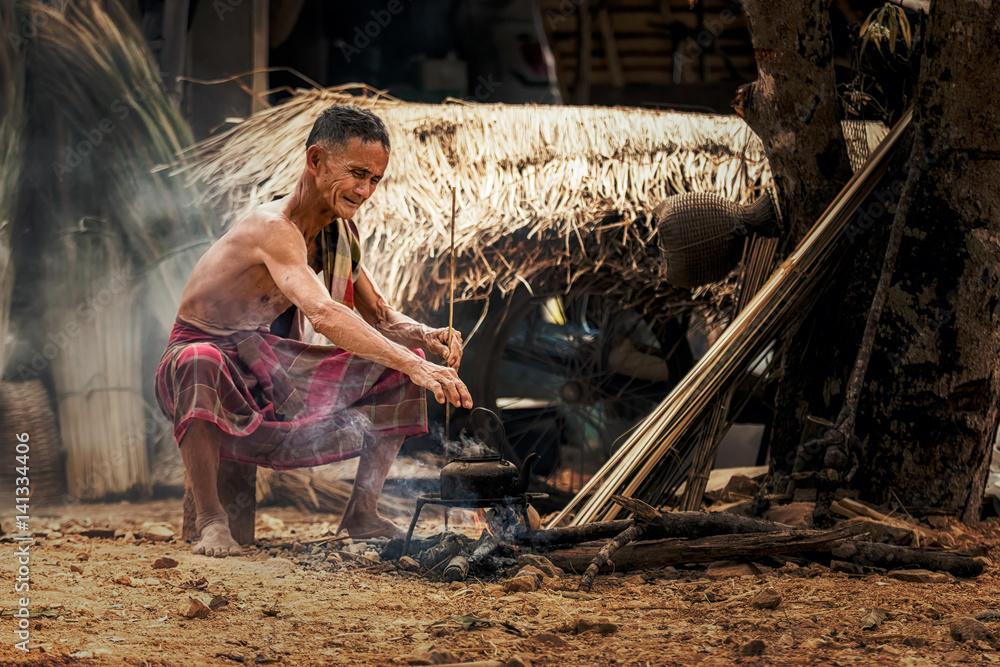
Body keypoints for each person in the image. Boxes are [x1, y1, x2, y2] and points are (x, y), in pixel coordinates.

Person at [155, 105, 473, 557]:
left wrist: (424, 337)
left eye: (375, 180)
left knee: (409, 369)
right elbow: (323, 314)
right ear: (316, 161)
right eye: (357, 173)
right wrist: (405, 358)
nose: (365, 190)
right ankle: (211, 519)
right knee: (198, 360)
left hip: (269, 361)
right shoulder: (273, 228)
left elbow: (381, 316)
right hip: (206, 359)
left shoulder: (338, 231)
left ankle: (362, 512)